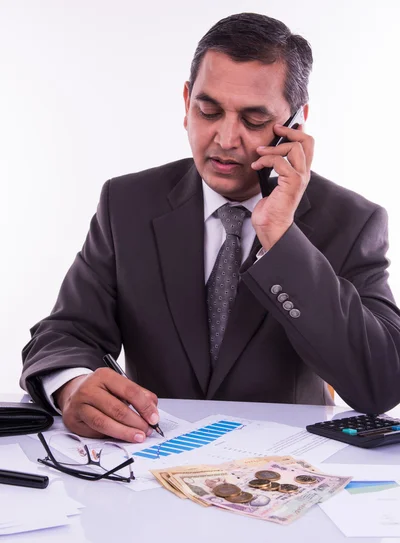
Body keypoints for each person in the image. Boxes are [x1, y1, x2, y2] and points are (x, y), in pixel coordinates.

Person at [20, 13, 400, 444]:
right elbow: (65, 332)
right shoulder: (126, 204)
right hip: (148, 472)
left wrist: (282, 237)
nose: (225, 137)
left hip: (284, 475)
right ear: (186, 103)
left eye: (254, 120)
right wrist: (71, 386)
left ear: (295, 124)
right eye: (208, 110)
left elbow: (381, 383)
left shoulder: (351, 220)